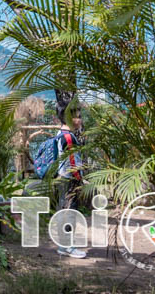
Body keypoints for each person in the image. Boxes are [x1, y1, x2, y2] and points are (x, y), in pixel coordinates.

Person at [55, 103, 87, 259]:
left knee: (65, 211)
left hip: (63, 177)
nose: (79, 120)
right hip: (70, 179)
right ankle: (69, 246)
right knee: (70, 212)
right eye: (77, 117)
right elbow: (72, 161)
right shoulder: (68, 137)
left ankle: (63, 245)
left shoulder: (60, 133)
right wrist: (79, 178)